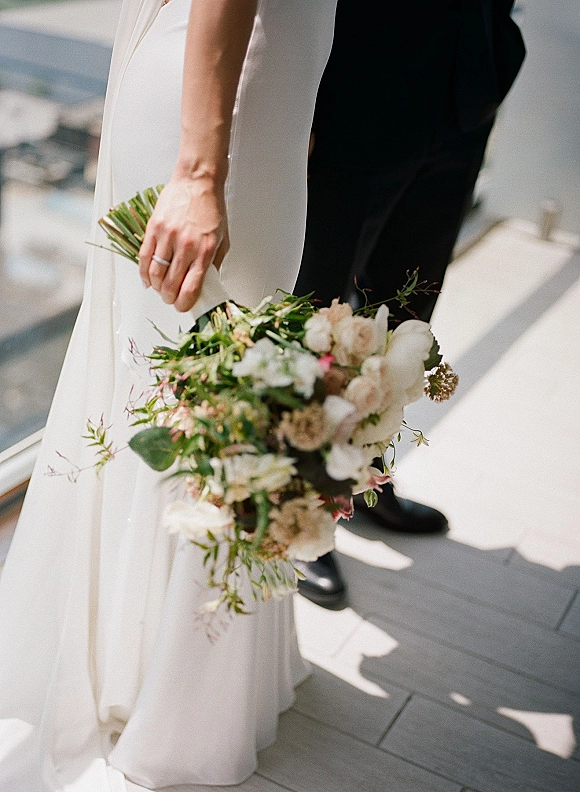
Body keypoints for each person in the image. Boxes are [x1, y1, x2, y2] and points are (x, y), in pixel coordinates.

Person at [0, 0, 337, 788]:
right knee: (198, 388)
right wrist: (198, 173)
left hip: (258, 95)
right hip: (223, 104)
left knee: (230, 382)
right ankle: (149, 682)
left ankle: (152, 660)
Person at [294, 0, 525, 607]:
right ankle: (305, 510)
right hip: (359, 83)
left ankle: (366, 479)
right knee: (318, 314)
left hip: (463, 90)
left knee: (407, 311)